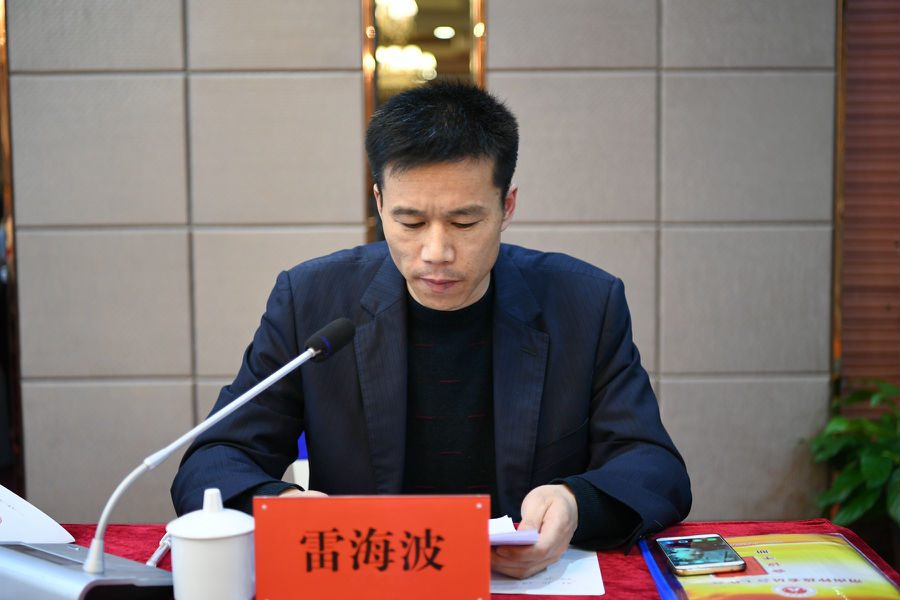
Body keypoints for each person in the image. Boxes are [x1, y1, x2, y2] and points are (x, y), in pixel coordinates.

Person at [171, 80, 691, 579]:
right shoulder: (311, 300)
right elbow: (214, 461)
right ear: (379, 203)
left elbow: (654, 465)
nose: (436, 252)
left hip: (519, 581)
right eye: (410, 222)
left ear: (506, 207)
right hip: (370, 580)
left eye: (464, 223)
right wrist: (288, 508)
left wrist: (575, 502)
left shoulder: (584, 304)